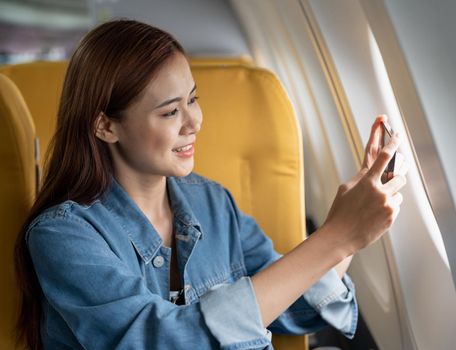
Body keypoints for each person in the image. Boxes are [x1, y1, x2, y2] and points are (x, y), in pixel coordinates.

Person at [13, 19, 407, 350]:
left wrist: (352, 224)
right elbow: (165, 339)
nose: (194, 122)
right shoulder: (62, 236)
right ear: (106, 126)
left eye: (193, 99)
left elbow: (292, 304)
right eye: (170, 111)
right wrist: (336, 236)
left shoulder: (213, 203)